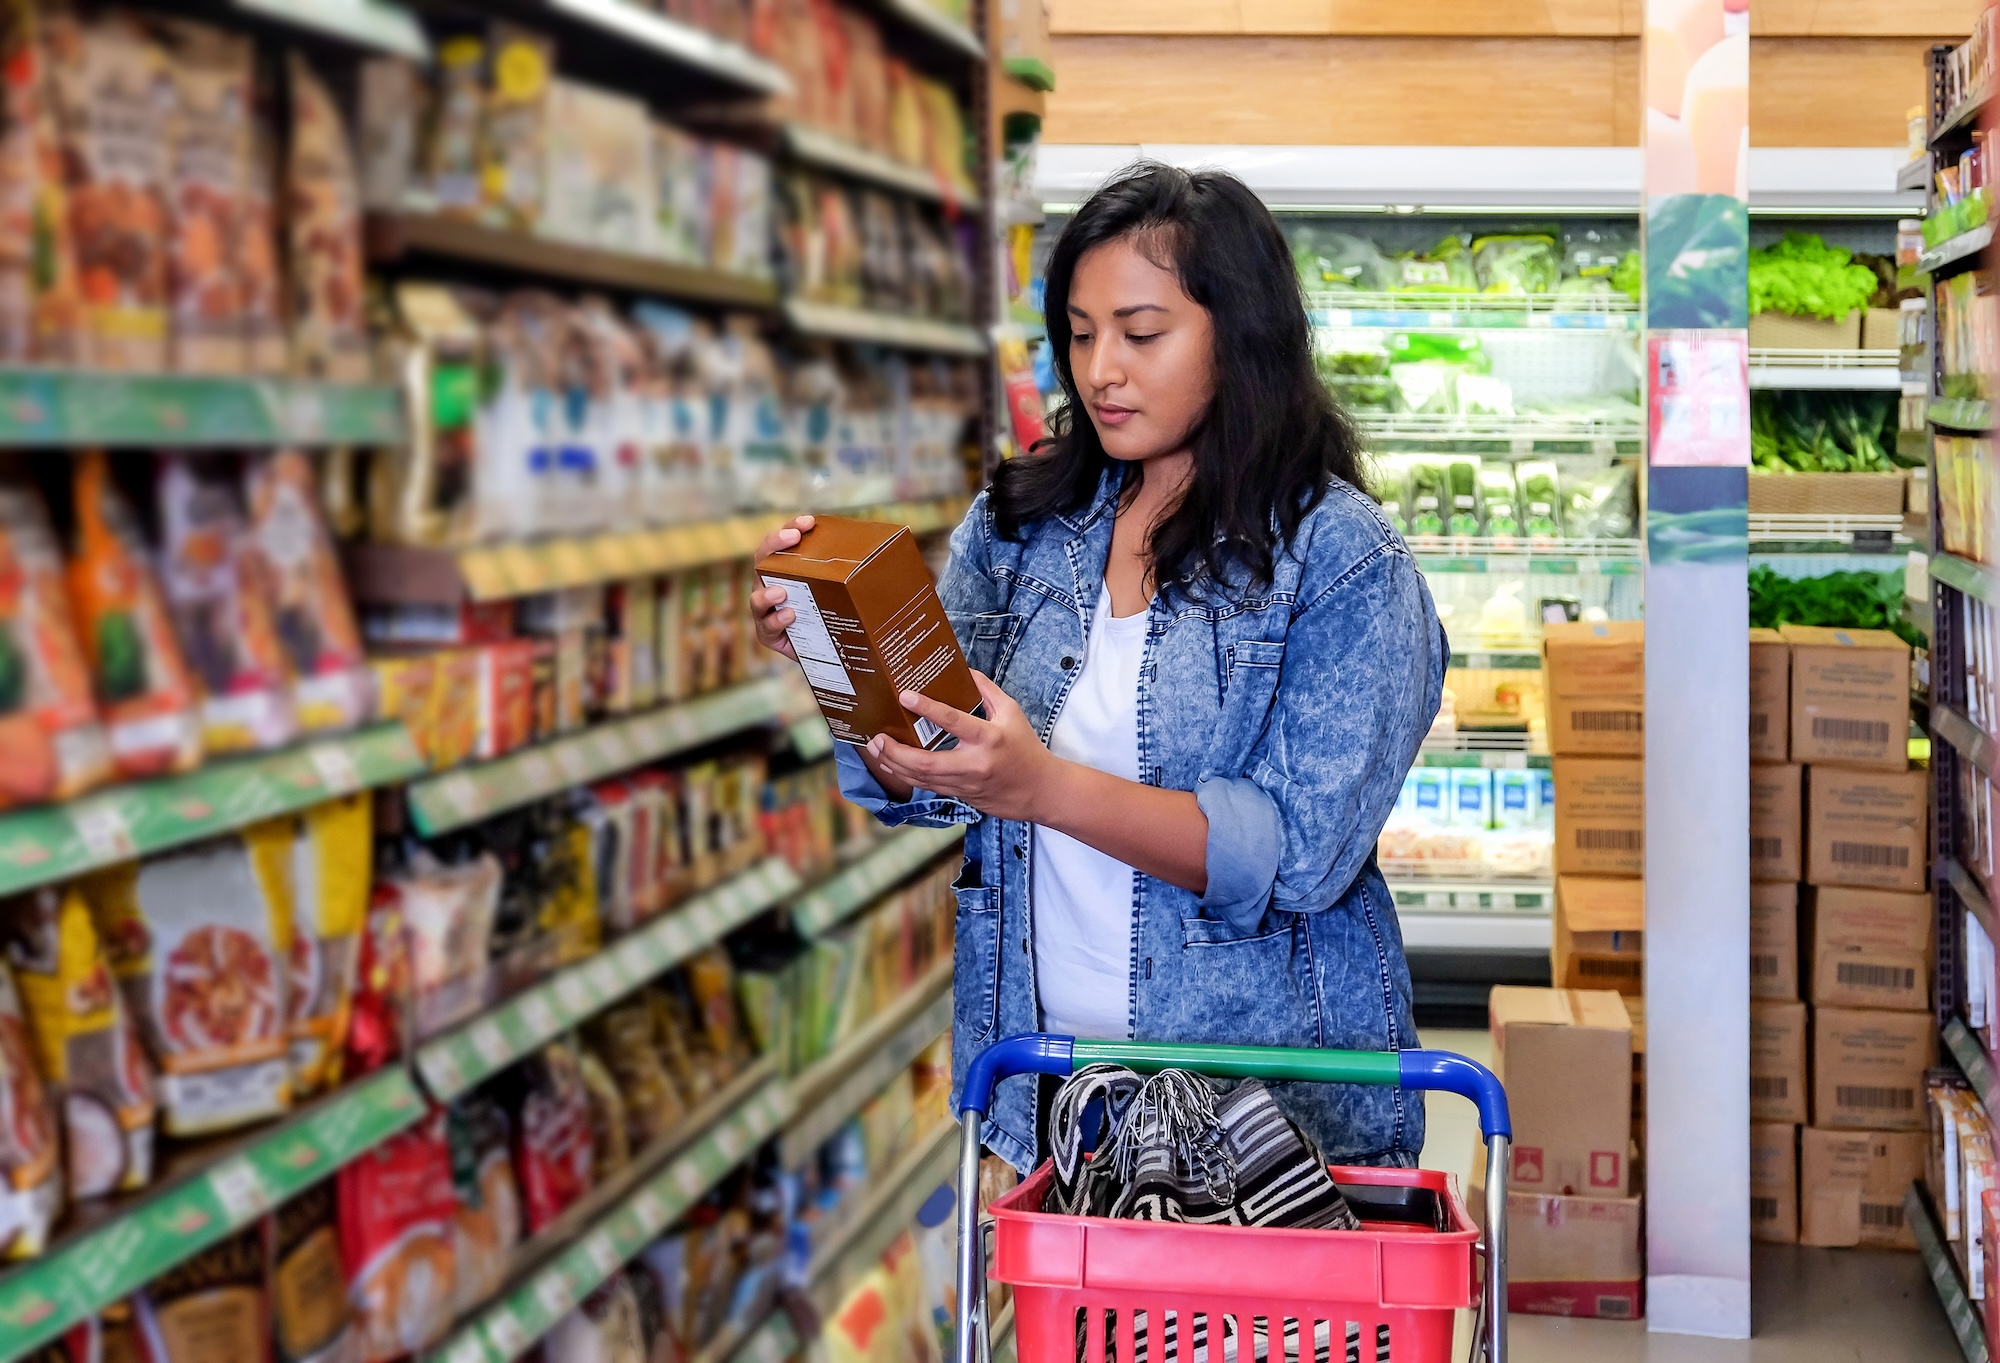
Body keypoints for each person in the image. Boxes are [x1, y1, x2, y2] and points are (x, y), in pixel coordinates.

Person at [751, 162, 1446, 1174]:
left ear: (1238, 334)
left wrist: (1044, 787)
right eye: (1078, 334)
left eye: (1140, 333)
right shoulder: (1021, 525)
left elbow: (1296, 858)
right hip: (1044, 1099)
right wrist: (833, 642)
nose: (1099, 370)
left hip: (1266, 1121)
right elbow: (933, 778)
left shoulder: (1340, 560)